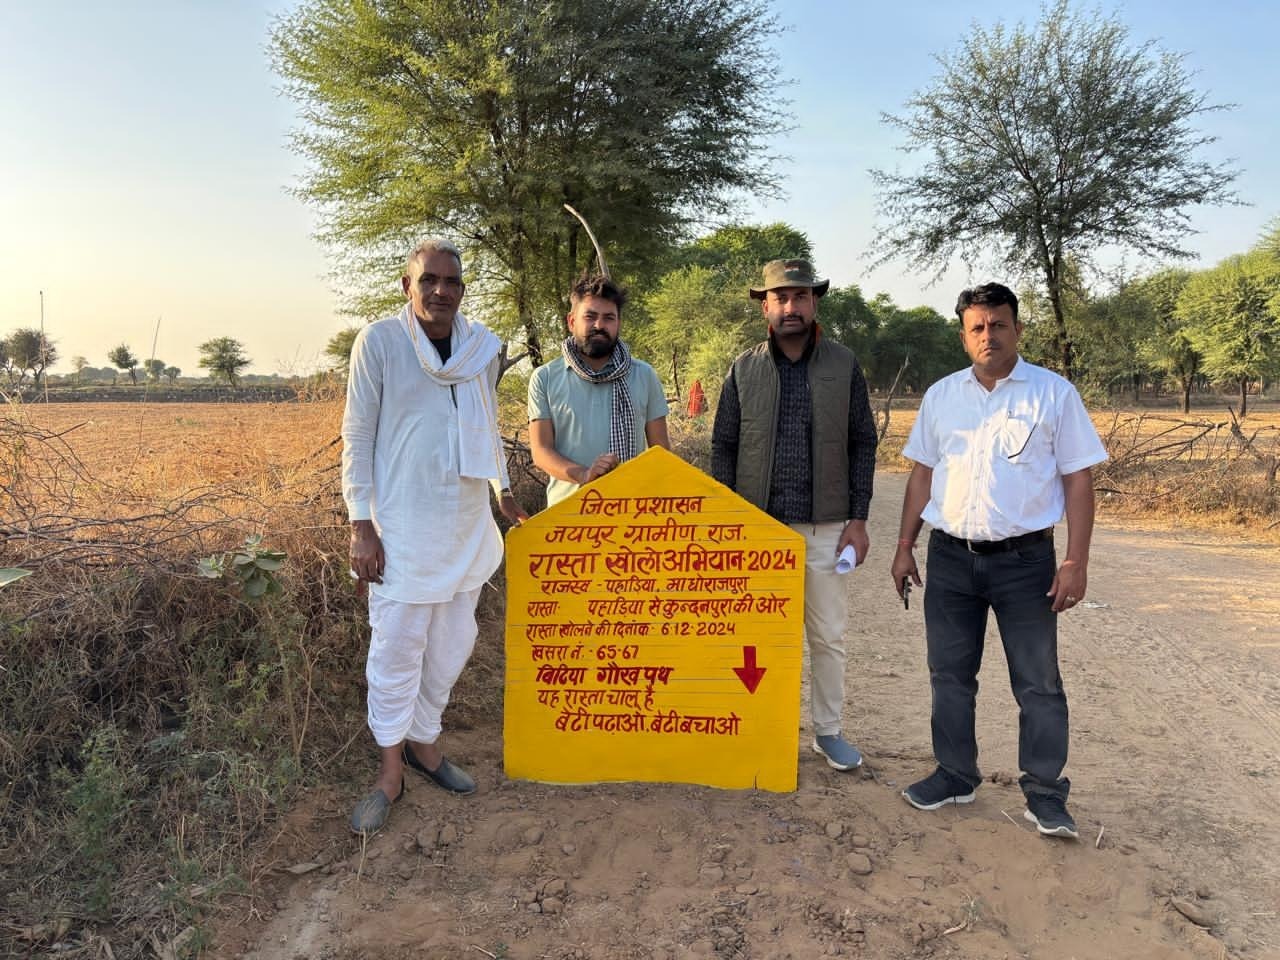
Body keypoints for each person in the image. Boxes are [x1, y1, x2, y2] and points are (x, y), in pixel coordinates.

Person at [891, 282, 1107, 840]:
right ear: (964, 335)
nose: (989, 335)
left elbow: (1078, 479)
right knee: (950, 675)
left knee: (1038, 682)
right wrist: (903, 546)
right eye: (977, 327)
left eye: (999, 324)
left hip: (1025, 562)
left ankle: (1044, 791)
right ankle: (956, 774)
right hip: (951, 560)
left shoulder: (1053, 394)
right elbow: (922, 474)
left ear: (1017, 329)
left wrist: (1075, 561)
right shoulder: (942, 397)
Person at [342, 238, 527, 834]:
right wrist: (360, 524)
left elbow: (486, 427)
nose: (440, 291)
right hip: (401, 527)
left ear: (462, 290)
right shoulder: (380, 343)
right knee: (397, 649)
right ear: (407, 285)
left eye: (451, 281)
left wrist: (501, 489)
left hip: (465, 523)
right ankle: (389, 769)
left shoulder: (479, 348)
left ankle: (426, 743)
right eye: (429, 280)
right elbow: (358, 435)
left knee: (450, 647)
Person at [711, 258, 878, 772]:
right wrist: (727, 522)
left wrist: (858, 518)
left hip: (825, 526)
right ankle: (759, 727)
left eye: (800, 297)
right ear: (765, 306)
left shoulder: (843, 364)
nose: (791, 307)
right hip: (758, 529)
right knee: (756, 639)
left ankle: (827, 732)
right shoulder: (744, 368)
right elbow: (724, 445)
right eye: (780, 298)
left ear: (814, 303)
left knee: (827, 635)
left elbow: (863, 441)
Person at [528, 273, 670, 508]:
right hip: (568, 515)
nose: (599, 326)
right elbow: (541, 451)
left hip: (635, 513)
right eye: (590, 316)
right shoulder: (545, 378)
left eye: (609, 318)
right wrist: (584, 475)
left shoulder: (644, 375)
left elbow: (661, 453)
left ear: (618, 323)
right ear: (572, 321)